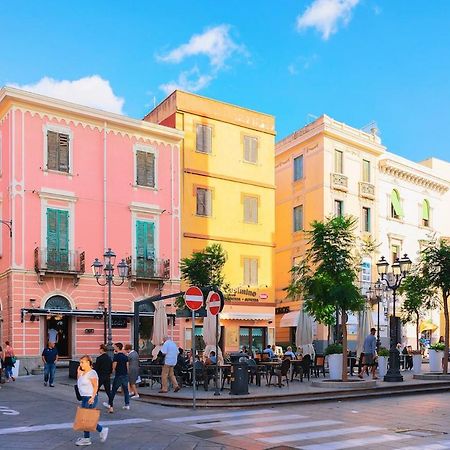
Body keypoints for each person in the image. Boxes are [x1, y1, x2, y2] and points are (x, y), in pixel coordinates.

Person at [75, 355, 108, 446]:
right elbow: (79, 384)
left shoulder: (92, 373)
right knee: (87, 419)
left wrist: (93, 397)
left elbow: (95, 386)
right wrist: (78, 374)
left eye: (83, 362)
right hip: (84, 397)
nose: (81, 364)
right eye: (80, 362)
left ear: (88, 363)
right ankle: (97, 433)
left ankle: (88, 437)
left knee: (86, 419)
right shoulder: (83, 373)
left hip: (89, 397)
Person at [106, 342, 130, 413]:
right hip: (125, 374)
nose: (114, 348)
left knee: (113, 390)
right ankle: (127, 404)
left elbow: (114, 365)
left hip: (118, 374)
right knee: (126, 390)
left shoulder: (116, 356)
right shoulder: (125, 356)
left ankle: (110, 403)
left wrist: (112, 371)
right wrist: (127, 372)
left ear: (117, 347)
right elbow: (127, 366)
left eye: (115, 347)